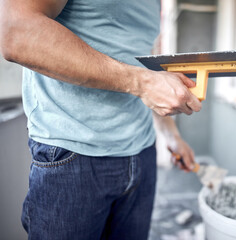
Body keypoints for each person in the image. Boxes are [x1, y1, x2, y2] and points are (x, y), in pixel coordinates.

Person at [0, 0, 202, 239]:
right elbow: (16, 32)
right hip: (73, 158)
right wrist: (142, 83)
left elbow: (140, 56)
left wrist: (171, 134)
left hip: (142, 153)